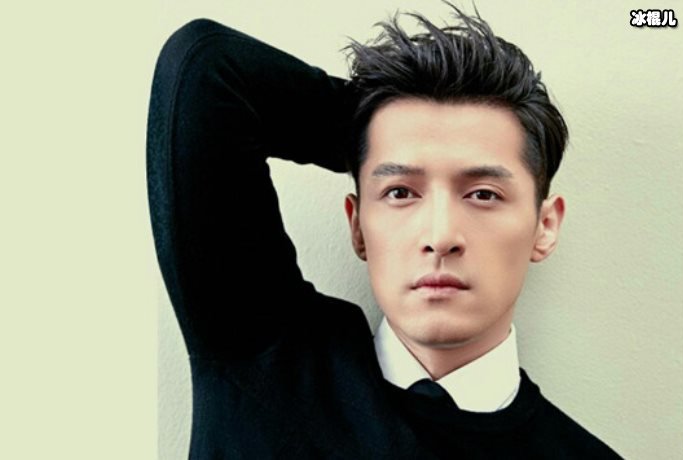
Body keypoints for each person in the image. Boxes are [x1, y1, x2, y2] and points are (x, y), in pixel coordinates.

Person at [147, 4, 622, 458]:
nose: (440, 236)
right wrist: (375, 126)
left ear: (544, 226)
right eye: (400, 192)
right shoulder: (262, 354)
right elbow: (207, 67)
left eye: (482, 194)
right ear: (357, 225)